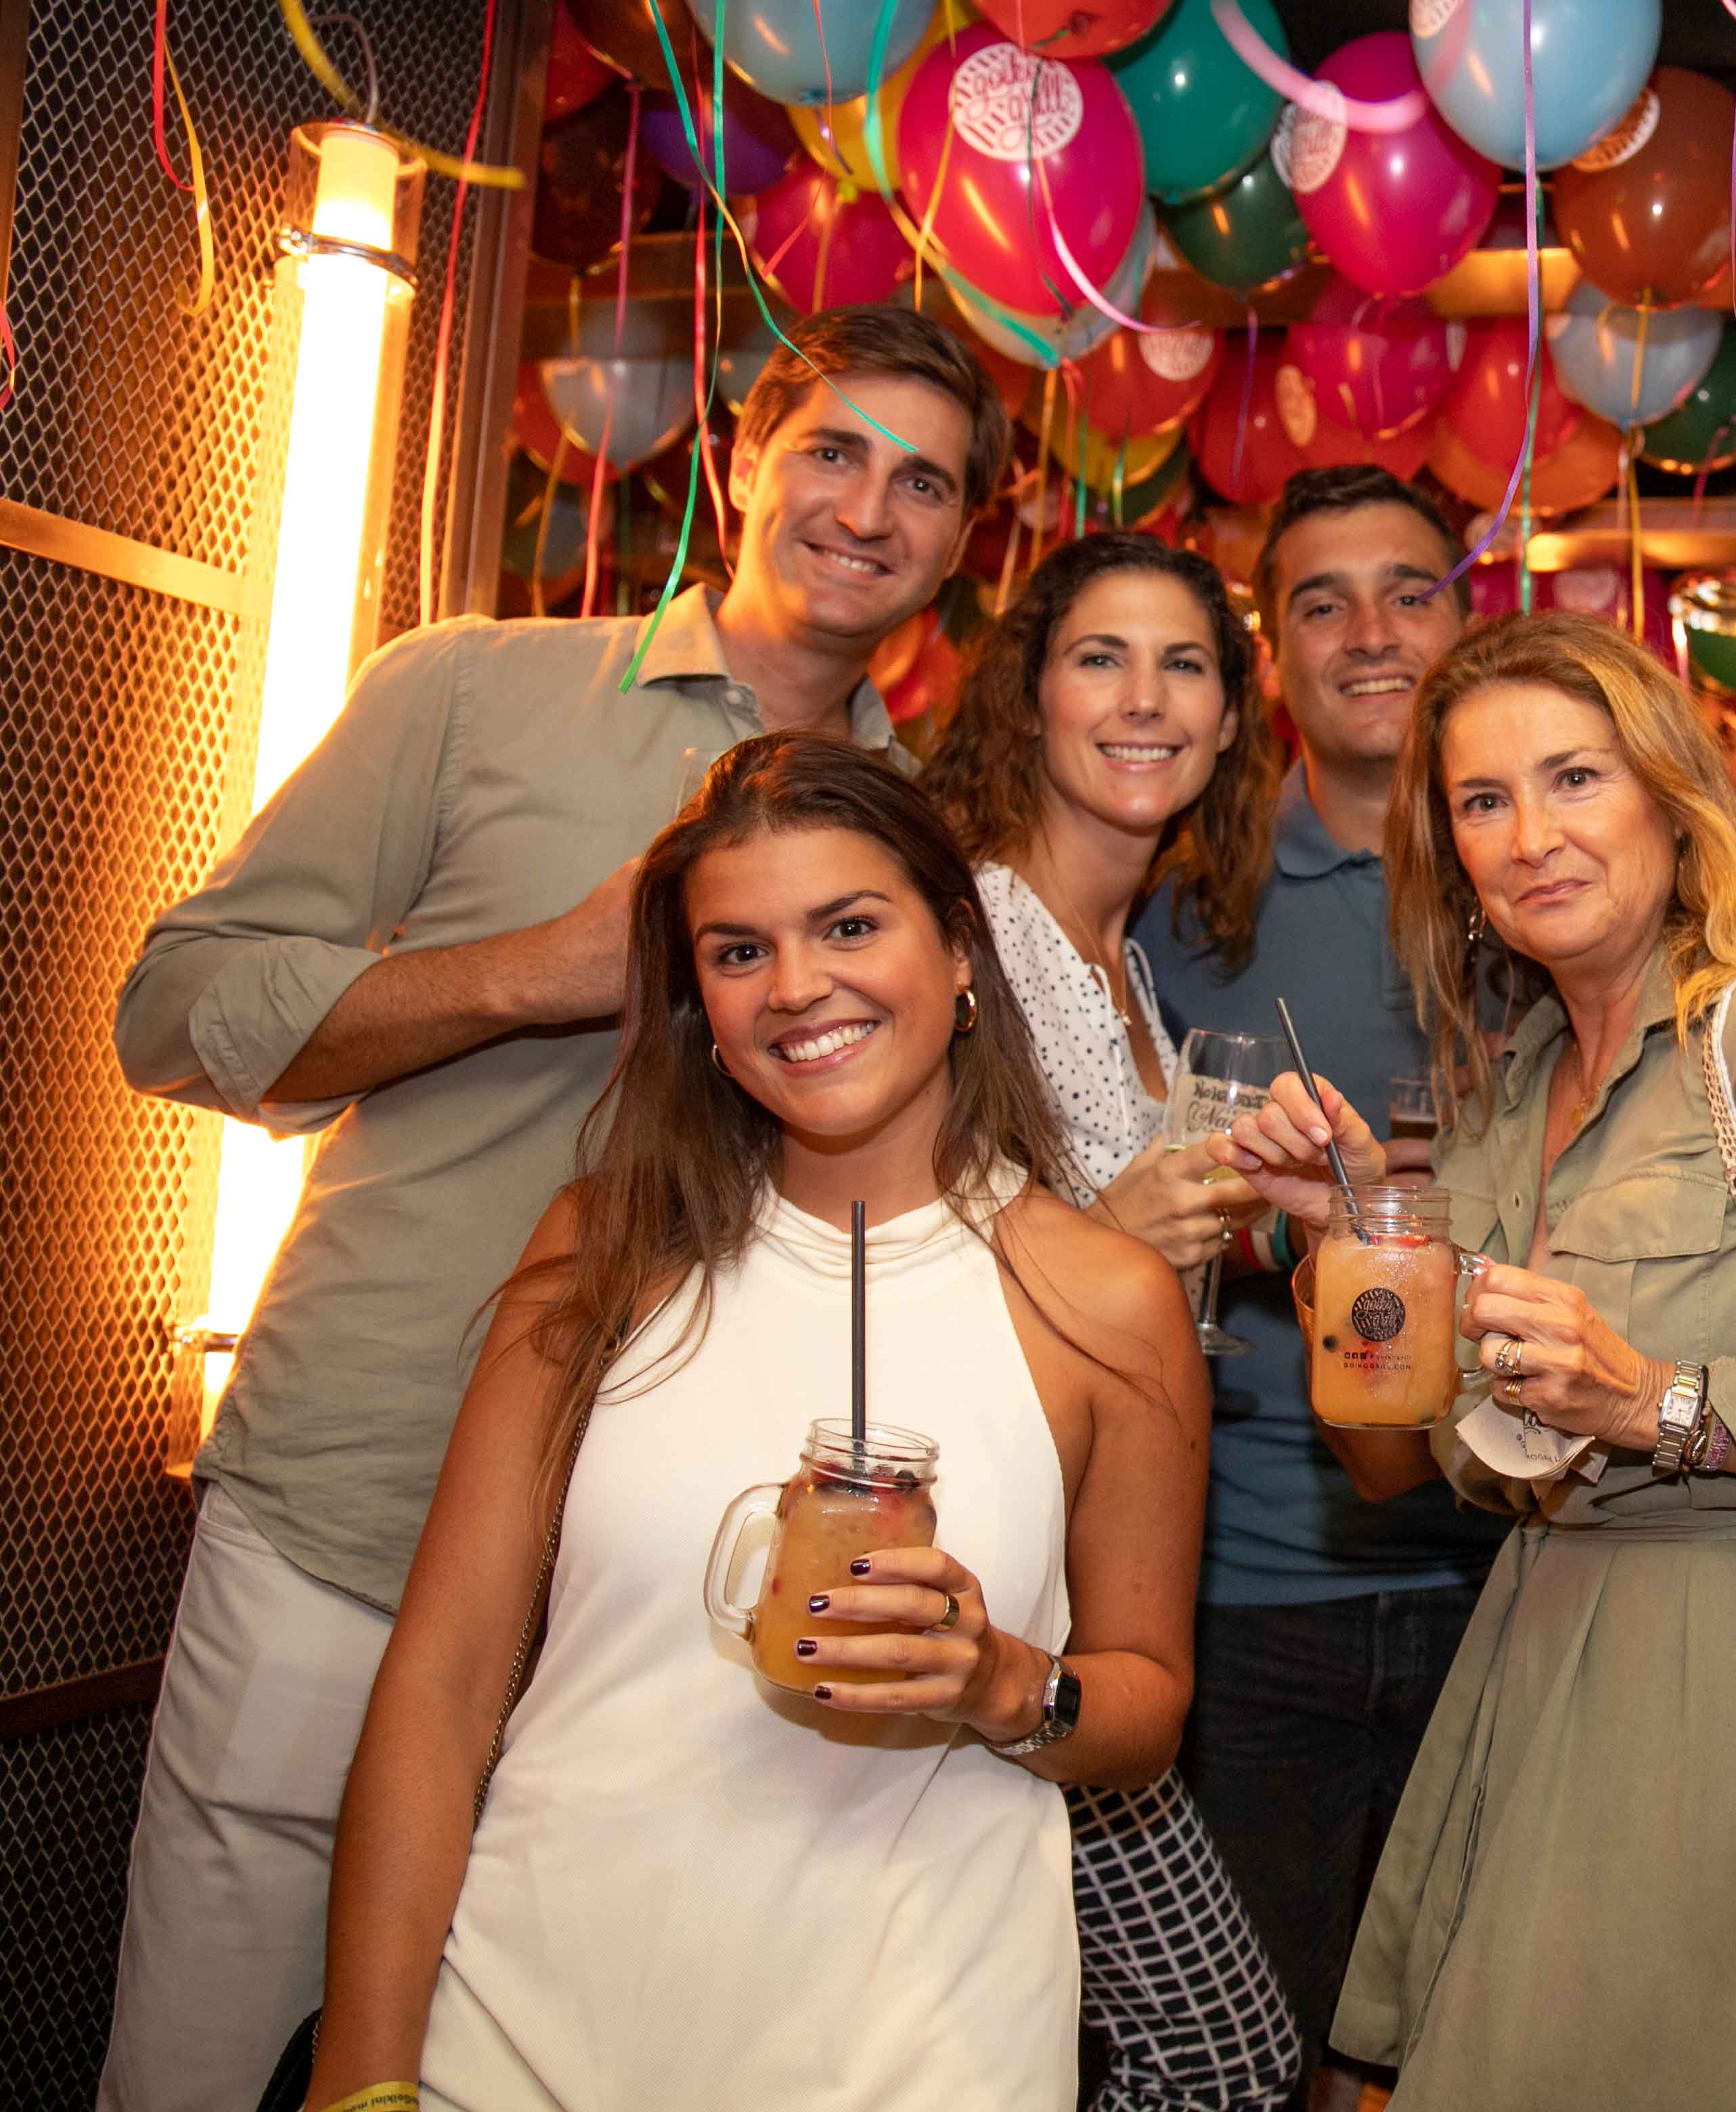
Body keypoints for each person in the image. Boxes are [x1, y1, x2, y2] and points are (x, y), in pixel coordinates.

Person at [104, 305, 1006, 2111]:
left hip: (667, 1599)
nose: (867, 508)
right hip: (361, 1507)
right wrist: (534, 970)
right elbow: (172, 1013)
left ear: (964, 538)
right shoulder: (471, 690)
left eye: (923, 483)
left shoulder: (925, 844)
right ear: (743, 460)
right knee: (211, 2055)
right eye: (833, 450)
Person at [298, 734, 1203, 2109]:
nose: (795, 987)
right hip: (526, 2037)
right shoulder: (605, 1249)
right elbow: (441, 1686)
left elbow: (1146, 1704)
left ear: (961, 950)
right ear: (699, 1007)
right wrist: (362, 2081)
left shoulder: (1105, 1301)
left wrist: (1000, 1683)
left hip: (918, 2060)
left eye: (849, 926)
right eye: (738, 951)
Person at [1219, 611, 1736, 2112]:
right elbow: (1401, 1462)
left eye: (1575, 778)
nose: (1532, 838)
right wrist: (1346, 1246)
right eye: (1483, 800)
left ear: (1668, 797)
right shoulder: (1510, 1095)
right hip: (1536, 1648)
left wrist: (1662, 1404)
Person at [1129, 466, 1510, 2097]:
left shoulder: (1541, 883)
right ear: (1269, 652)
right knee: (1245, 2060)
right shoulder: (1176, 906)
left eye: (1408, 592)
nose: (1370, 633)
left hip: (1515, 1577)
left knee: (1470, 2060)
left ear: (1467, 620)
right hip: (1250, 1590)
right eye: (1320, 601)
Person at [918, 529, 1302, 2109]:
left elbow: (1128, 1240)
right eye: (1101, 658)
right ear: (1030, 696)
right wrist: (1105, 1247)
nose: (1145, 699)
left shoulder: (1125, 962)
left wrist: (1286, 1213)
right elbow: (861, 1250)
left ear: (1228, 719)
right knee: (1217, 2052)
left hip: (1089, 1575)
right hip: (972, 1562)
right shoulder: (965, 932)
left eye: (1184, 665)